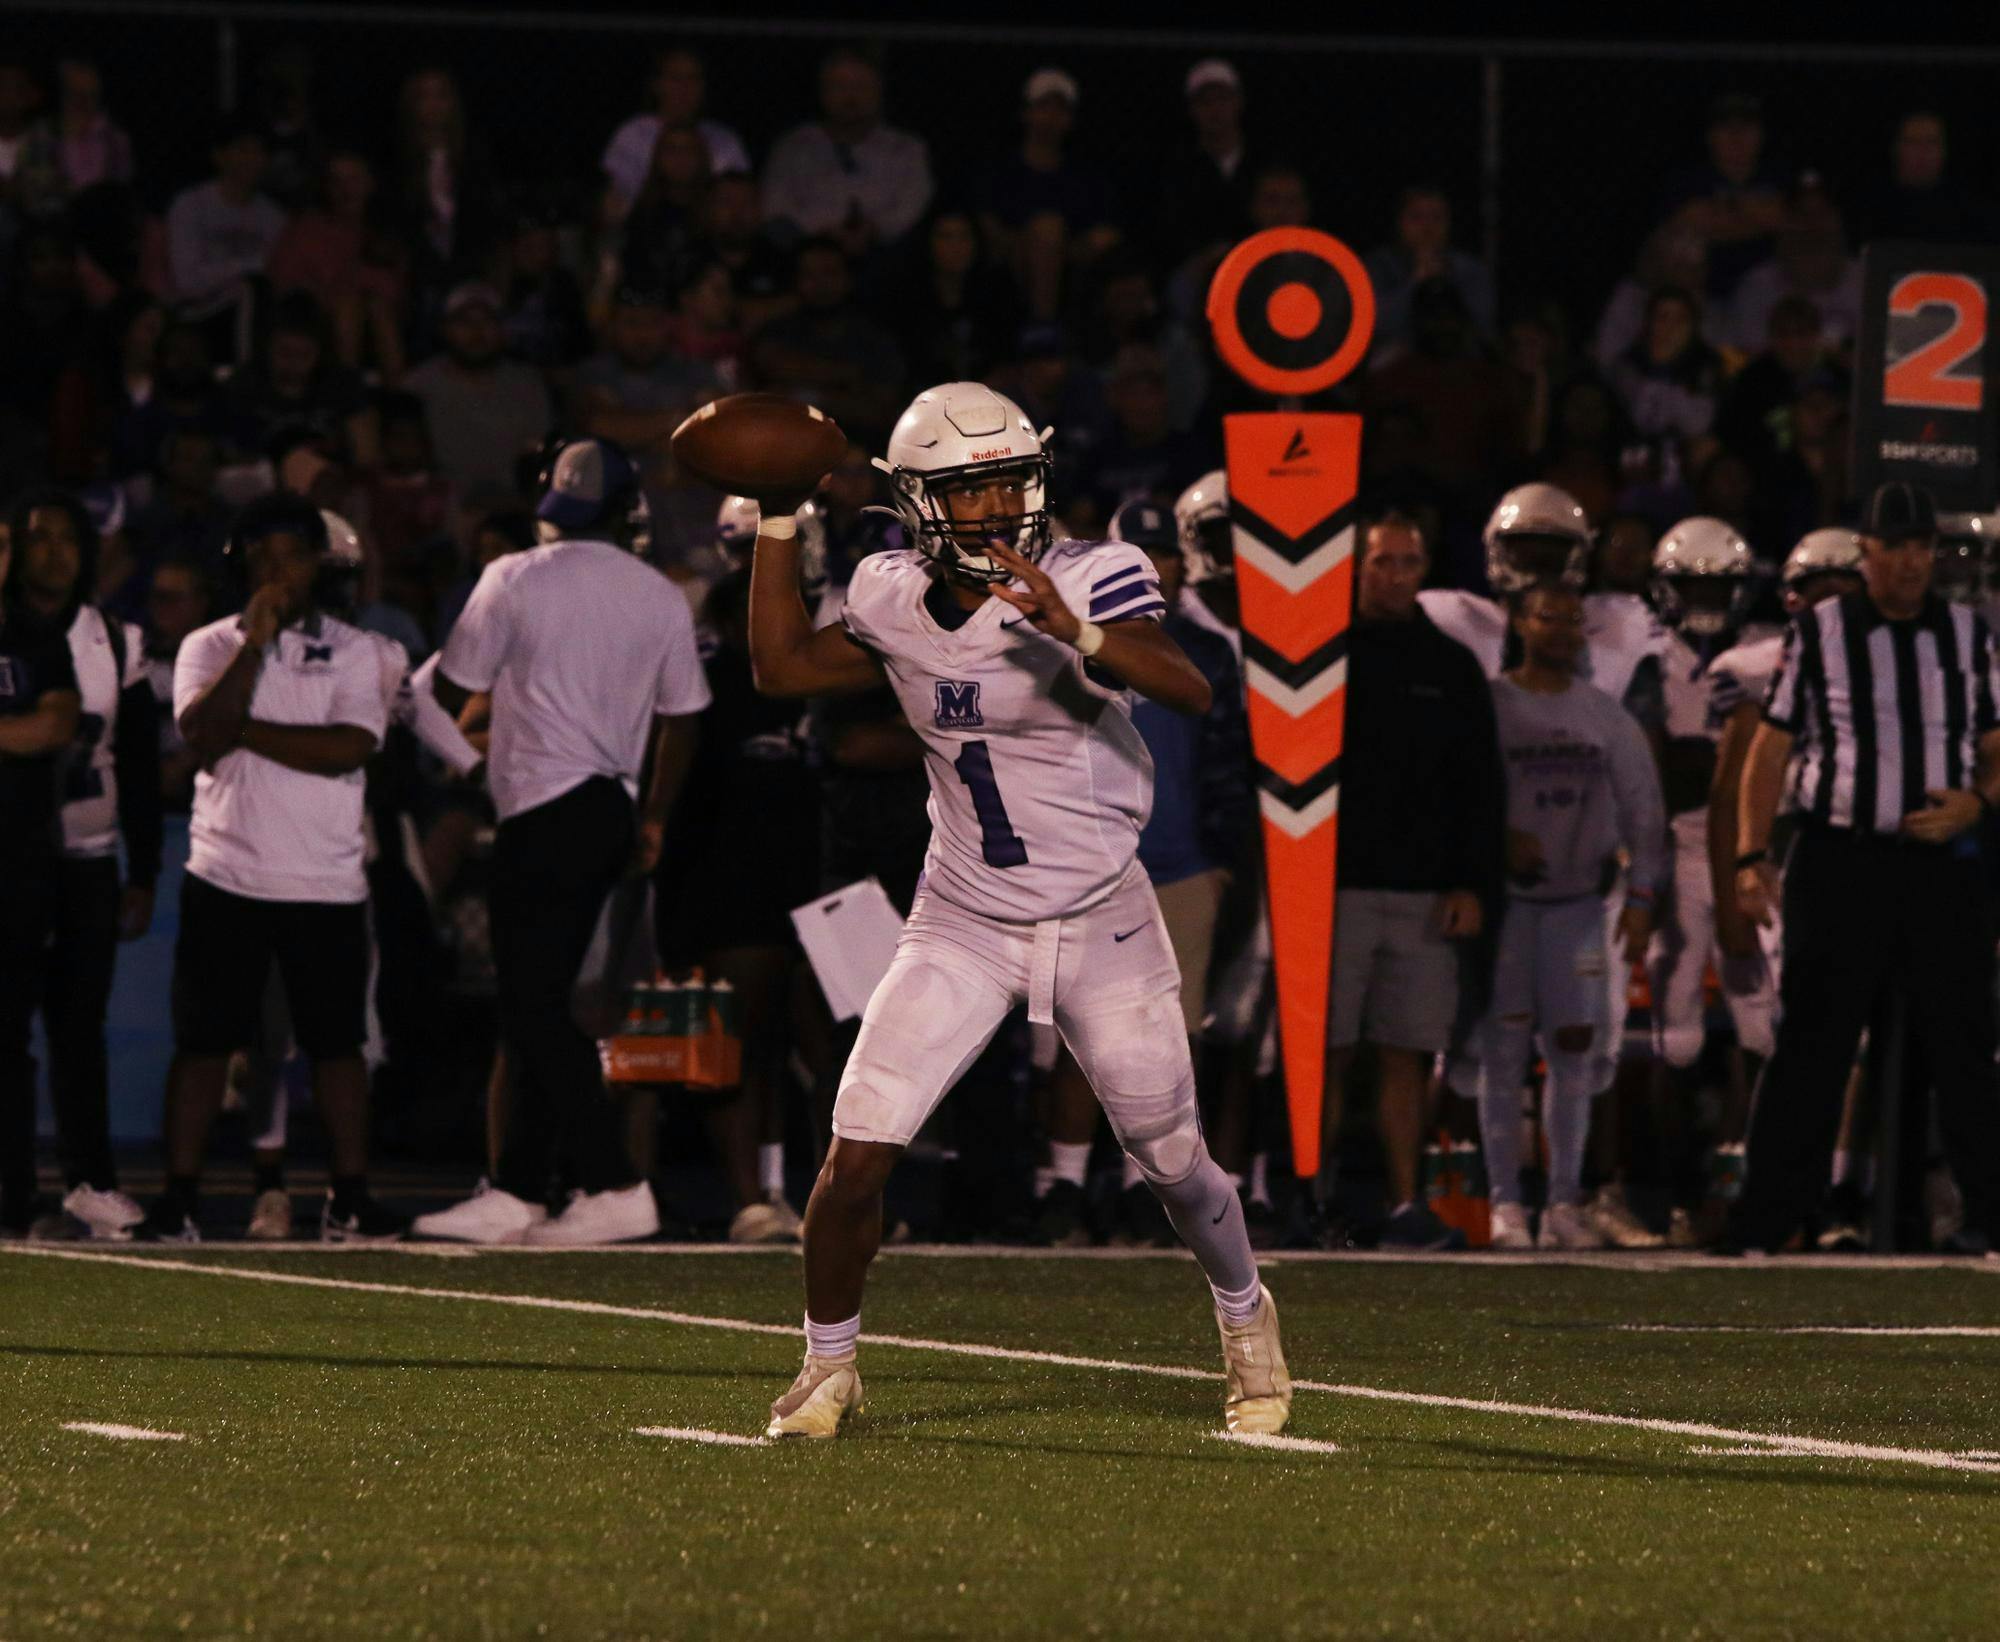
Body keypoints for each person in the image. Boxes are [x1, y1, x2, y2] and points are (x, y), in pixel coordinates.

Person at [743, 380, 1288, 1438]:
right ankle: (827, 1366)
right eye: (969, 489)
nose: (998, 508)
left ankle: (1243, 1309)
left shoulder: (1090, 573)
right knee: (856, 1152)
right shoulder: (890, 593)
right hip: (962, 916)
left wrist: (1075, 630)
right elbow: (780, 667)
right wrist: (775, 517)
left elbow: (1188, 688)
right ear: (917, 502)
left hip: (1102, 915)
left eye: (1011, 482)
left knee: (1173, 1162)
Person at [415, 439, 708, 1246]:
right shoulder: (659, 592)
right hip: (610, 809)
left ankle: (613, 1183)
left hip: (544, 810)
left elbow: (448, 691)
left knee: (535, 1008)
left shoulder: (513, 576)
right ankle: (519, 1188)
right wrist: (654, 815)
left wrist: (452, 750)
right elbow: (685, 716)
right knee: (533, 1005)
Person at [1728, 484, 2000, 1255]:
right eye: (1896, 546)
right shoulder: (1820, 633)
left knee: (1964, 1043)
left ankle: (1988, 1213)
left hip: (1939, 864)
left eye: (1922, 547)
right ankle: (1770, 1219)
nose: (1911, 562)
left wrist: (1978, 802)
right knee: (1813, 1041)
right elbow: (1770, 748)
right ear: (1867, 552)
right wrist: (1751, 854)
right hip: (1842, 857)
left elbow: (1996, 745)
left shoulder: (1968, 635)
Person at [142, 494, 397, 1242]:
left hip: (325, 881)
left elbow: (348, 748)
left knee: (337, 1048)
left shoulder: (356, 649)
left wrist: (246, 731)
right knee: (202, 1045)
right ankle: (178, 1203)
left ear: (318, 564)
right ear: (240, 566)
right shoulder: (208, 645)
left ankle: (350, 1201)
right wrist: (253, 647)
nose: (277, 572)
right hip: (226, 874)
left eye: (292, 557)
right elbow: (201, 732)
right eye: (262, 558)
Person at [1033, 499, 1252, 1247]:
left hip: (1181, 865)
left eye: (1167, 555)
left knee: (1170, 1039)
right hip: (1088, 862)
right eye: (1143, 553)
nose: (1157, 567)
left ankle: (1143, 1191)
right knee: (1077, 1035)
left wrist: (1220, 861)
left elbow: (1226, 758)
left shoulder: (1205, 649)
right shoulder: (1065, 634)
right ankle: (1064, 1181)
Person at [1324, 513, 1506, 1249]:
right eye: (1382, 562)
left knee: (1406, 1053)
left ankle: (1405, 1205)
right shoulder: (1322, 658)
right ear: (1356, 566)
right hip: (1335, 890)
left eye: (1408, 562)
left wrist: (1469, 884)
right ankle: (1316, 1200)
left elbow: (1479, 787)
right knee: (1327, 1052)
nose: (1395, 576)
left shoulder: (1451, 664)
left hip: (1424, 892)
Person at [1471, 581, 1667, 1249]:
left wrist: (1641, 899)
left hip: (1579, 909)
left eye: (1571, 621)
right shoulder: (1491, 708)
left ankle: (1562, 1201)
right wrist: (1495, 840)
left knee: (1575, 1052)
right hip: (1508, 911)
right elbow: (1454, 795)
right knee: (1503, 1054)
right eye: (1547, 617)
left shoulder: (1603, 715)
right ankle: (1505, 1204)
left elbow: (1644, 813)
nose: (1560, 631)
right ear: (1521, 624)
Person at [5, 489, 160, 1240]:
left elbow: (138, 760)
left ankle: (89, 1181)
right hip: (14, 854)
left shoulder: (117, 640)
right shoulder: (13, 633)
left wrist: (144, 872)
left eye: (69, 539)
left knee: (78, 1028)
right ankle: (14, 1190)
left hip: (89, 858)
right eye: (40, 538)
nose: (55, 553)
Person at [1643, 517, 1778, 1231]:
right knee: (1678, 1035)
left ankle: (1739, 1180)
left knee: (1761, 1027)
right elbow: (1656, 767)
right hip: (1673, 847)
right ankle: (1668, 1191)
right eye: (1691, 586)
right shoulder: (1646, 649)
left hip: (1750, 845)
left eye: (1717, 587)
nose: (1704, 600)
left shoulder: (1765, 651)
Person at [0, 509, 83, 1238]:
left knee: (9, 1036)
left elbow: (56, 724)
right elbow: (29, 727)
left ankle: (15, 1196)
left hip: (17, 861)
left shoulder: (33, 636)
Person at [761, 47, 932, 254]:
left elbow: (913, 207)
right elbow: (775, 210)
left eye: (861, 86)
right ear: (823, 92)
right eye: (840, 86)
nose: (851, 96)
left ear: (879, 92)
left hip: (887, 257)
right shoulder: (793, 147)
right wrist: (824, 233)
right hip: (806, 255)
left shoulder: (907, 150)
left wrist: (873, 230)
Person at [402, 281, 553, 509]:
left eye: (487, 321)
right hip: (440, 510)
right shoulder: (418, 386)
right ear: (445, 328)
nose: (477, 331)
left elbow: (541, 455)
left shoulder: (527, 385)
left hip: (515, 509)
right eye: (464, 322)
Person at [164, 111, 284, 363]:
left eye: (259, 151)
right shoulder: (191, 206)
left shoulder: (273, 216)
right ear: (219, 155)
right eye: (243, 150)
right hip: (197, 314)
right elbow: (187, 281)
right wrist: (247, 268)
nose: (252, 159)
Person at [601, 45, 750, 215]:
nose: (684, 87)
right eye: (675, 78)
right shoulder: (633, 135)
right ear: (657, 85)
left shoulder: (725, 140)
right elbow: (616, 203)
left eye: (692, 79)